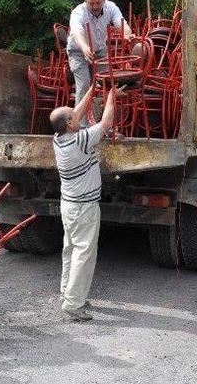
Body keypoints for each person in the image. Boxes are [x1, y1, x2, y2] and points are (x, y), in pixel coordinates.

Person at [49, 84, 124, 321]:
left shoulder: (59, 138)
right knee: (84, 252)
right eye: (72, 115)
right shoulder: (81, 140)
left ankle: (68, 294)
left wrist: (92, 89)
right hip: (84, 208)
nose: (76, 113)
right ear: (70, 124)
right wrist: (111, 96)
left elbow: (75, 114)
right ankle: (73, 304)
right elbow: (106, 123)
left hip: (69, 205)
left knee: (70, 249)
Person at [67, 0, 135, 109]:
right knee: (84, 85)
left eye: (98, 2)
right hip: (78, 51)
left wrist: (126, 35)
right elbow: (77, 32)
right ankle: (82, 126)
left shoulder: (111, 7)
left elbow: (121, 23)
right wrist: (85, 47)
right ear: (85, 0)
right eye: (91, 3)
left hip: (100, 50)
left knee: (104, 84)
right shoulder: (78, 12)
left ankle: (98, 122)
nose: (95, 6)